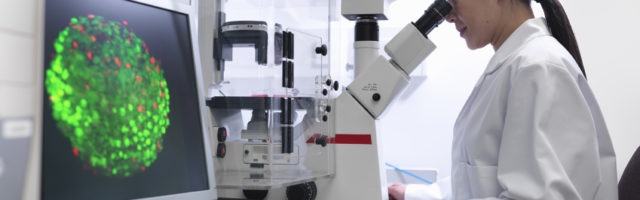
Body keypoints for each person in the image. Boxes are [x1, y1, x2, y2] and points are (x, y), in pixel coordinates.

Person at [388, 0, 618, 199]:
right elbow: (485, 180)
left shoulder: (538, 67)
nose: (448, 15)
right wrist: (413, 195)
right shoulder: (516, 64)